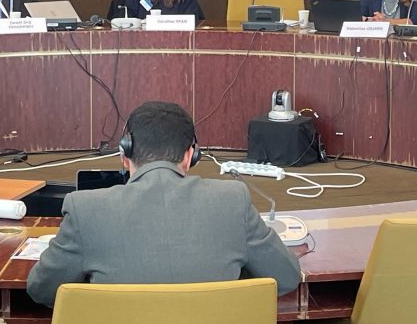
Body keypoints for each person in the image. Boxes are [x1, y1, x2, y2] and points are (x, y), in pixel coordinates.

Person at [26, 100, 301, 307]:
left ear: (124, 154)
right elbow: (286, 277)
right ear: (190, 156)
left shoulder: (84, 209)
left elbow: (42, 289)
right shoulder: (233, 200)